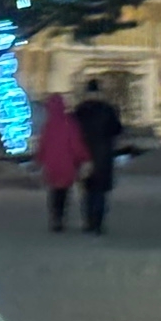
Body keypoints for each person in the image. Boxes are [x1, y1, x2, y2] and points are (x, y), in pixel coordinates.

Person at [72, 78, 124, 235]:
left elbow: (73, 133)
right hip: (104, 155)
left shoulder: (80, 110)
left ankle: (88, 222)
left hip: (84, 155)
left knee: (87, 191)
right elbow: (117, 129)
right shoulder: (108, 109)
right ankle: (98, 224)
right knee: (100, 192)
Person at [35, 91, 90, 234]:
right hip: (67, 165)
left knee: (54, 192)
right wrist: (84, 157)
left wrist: (39, 160)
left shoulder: (47, 125)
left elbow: (43, 145)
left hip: (51, 165)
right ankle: (61, 218)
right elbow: (76, 144)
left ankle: (55, 218)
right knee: (64, 192)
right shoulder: (70, 124)